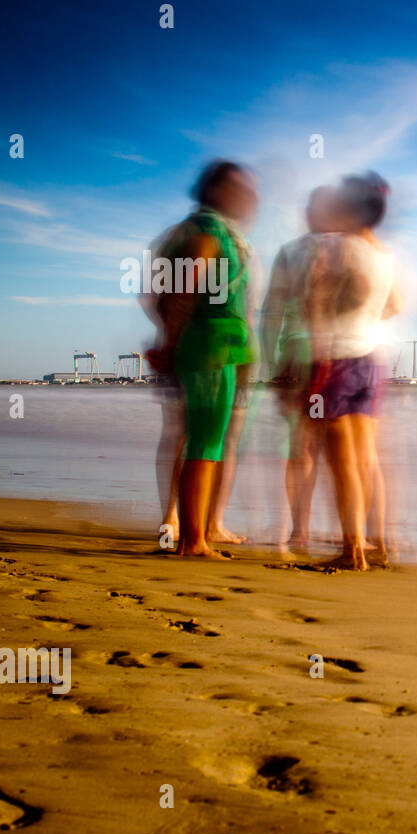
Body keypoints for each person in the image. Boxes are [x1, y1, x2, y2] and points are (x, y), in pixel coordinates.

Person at [156, 160, 259, 558]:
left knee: (206, 440)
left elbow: (169, 292)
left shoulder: (204, 230)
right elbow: (184, 290)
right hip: (211, 343)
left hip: (217, 344)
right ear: (216, 191)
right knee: (204, 442)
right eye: (239, 188)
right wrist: (171, 343)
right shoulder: (208, 232)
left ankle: (198, 532)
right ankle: (193, 540)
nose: (248, 197)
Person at [305, 172, 402, 570]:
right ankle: (376, 543)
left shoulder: (339, 248)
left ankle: (352, 551)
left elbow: (317, 300)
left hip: (337, 358)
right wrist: (363, 317)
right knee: (365, 458)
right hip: (370, 361)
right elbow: (393, 305)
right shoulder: (383, 252)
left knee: (341, 462)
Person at [261, 186, 337, 552]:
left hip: (297, 353)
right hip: (341, 355)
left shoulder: (291, 253)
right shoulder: (350, 250)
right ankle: (347, 530)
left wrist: (271, 362)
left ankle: (300, 530)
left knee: (301, 448)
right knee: (343, 447)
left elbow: (271, 312)